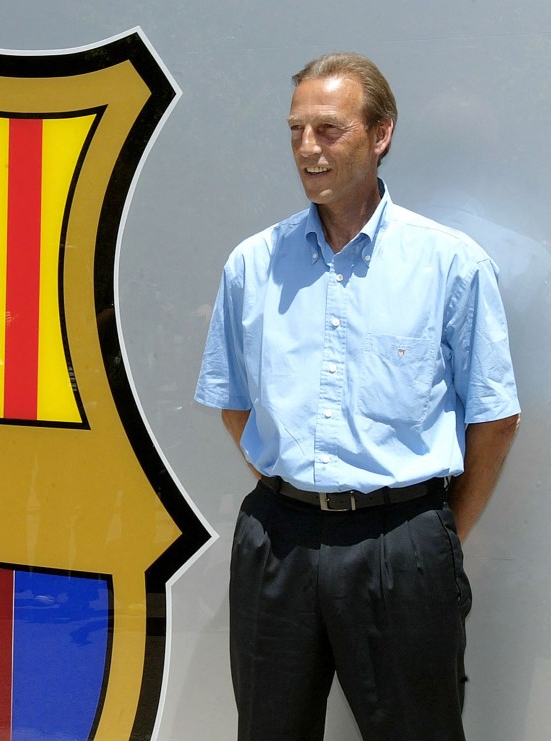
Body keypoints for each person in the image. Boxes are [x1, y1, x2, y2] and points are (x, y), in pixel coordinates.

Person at [194, 52, 520, 741]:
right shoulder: (253, 265)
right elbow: (233, 401)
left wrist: (435, 537)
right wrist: (301, 489)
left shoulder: (450, 264)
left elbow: (494, 419)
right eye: (296, 130)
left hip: (400, 542)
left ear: (381, 135)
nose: (307, 149)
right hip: (277, 541)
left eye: (329, 130)